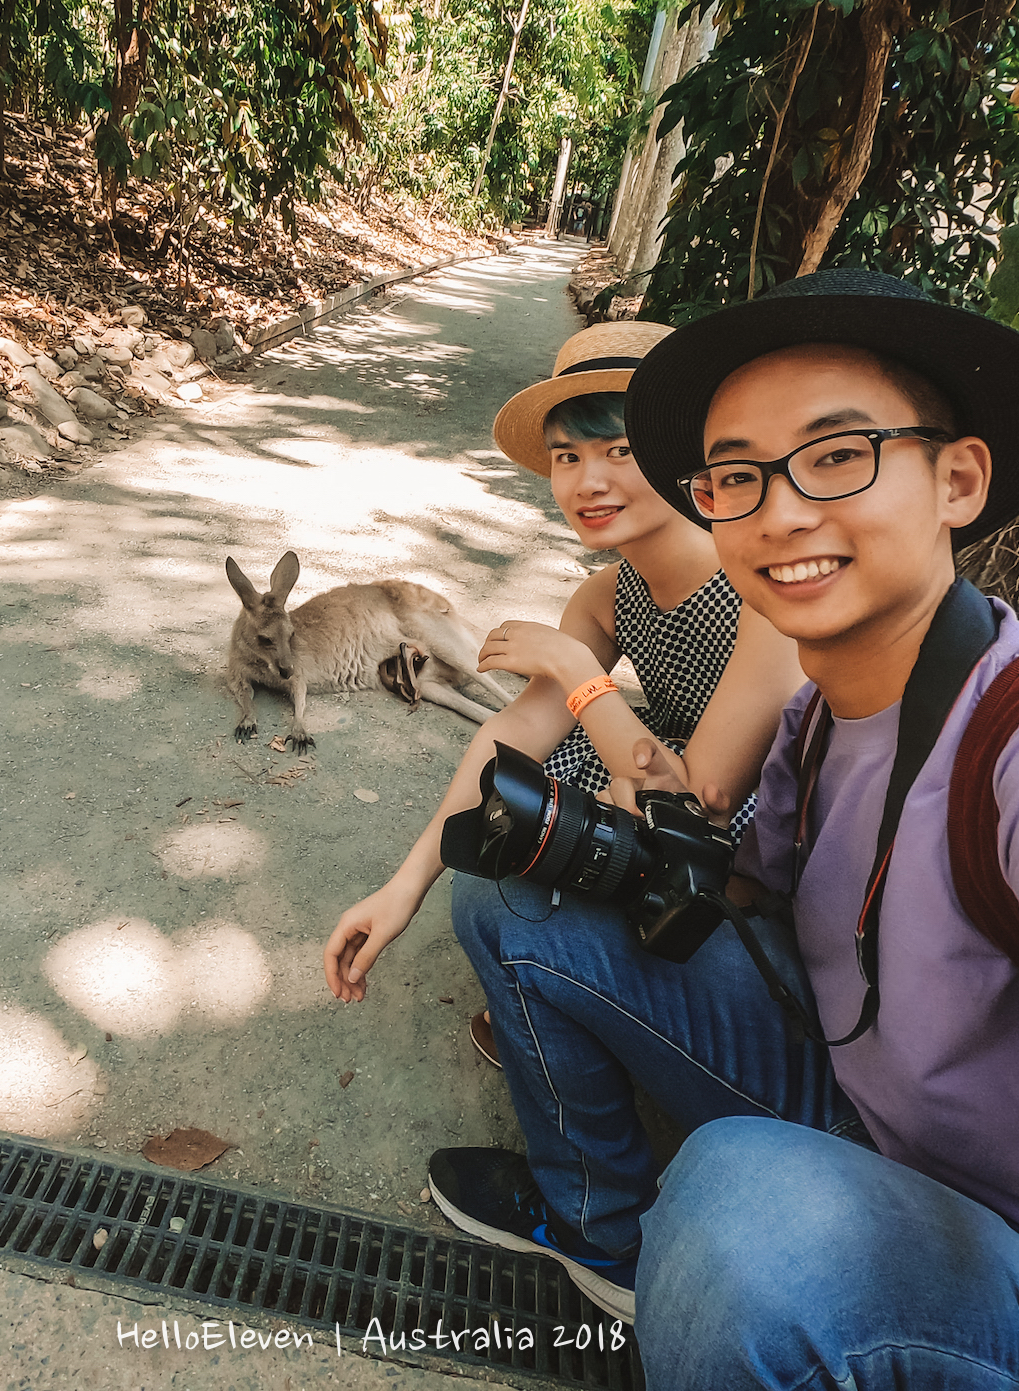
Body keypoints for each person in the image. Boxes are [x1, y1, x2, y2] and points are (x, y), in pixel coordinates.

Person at [435, 267, 1019, 1387]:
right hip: (851, 1089)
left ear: (957, 479)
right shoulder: (824, 714)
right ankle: (611, 1234)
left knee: (744, 1217)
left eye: (837, 457)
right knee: (514, 892)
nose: (779, 512)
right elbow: (737, 894)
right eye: (735, 476)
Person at [320, 321, 804, 1313]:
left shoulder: (756, 583)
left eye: (619, 449)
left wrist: (580, 674)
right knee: (526, 801)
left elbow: (693, 800)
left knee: (549, 828)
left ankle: (601, 1225)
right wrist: (403, 884)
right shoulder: (609, 589)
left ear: (685, 454)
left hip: (774, 938)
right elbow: (510, 739)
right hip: (702, 884)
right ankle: (574, 1010)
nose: (587, 477)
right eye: (566, 455)